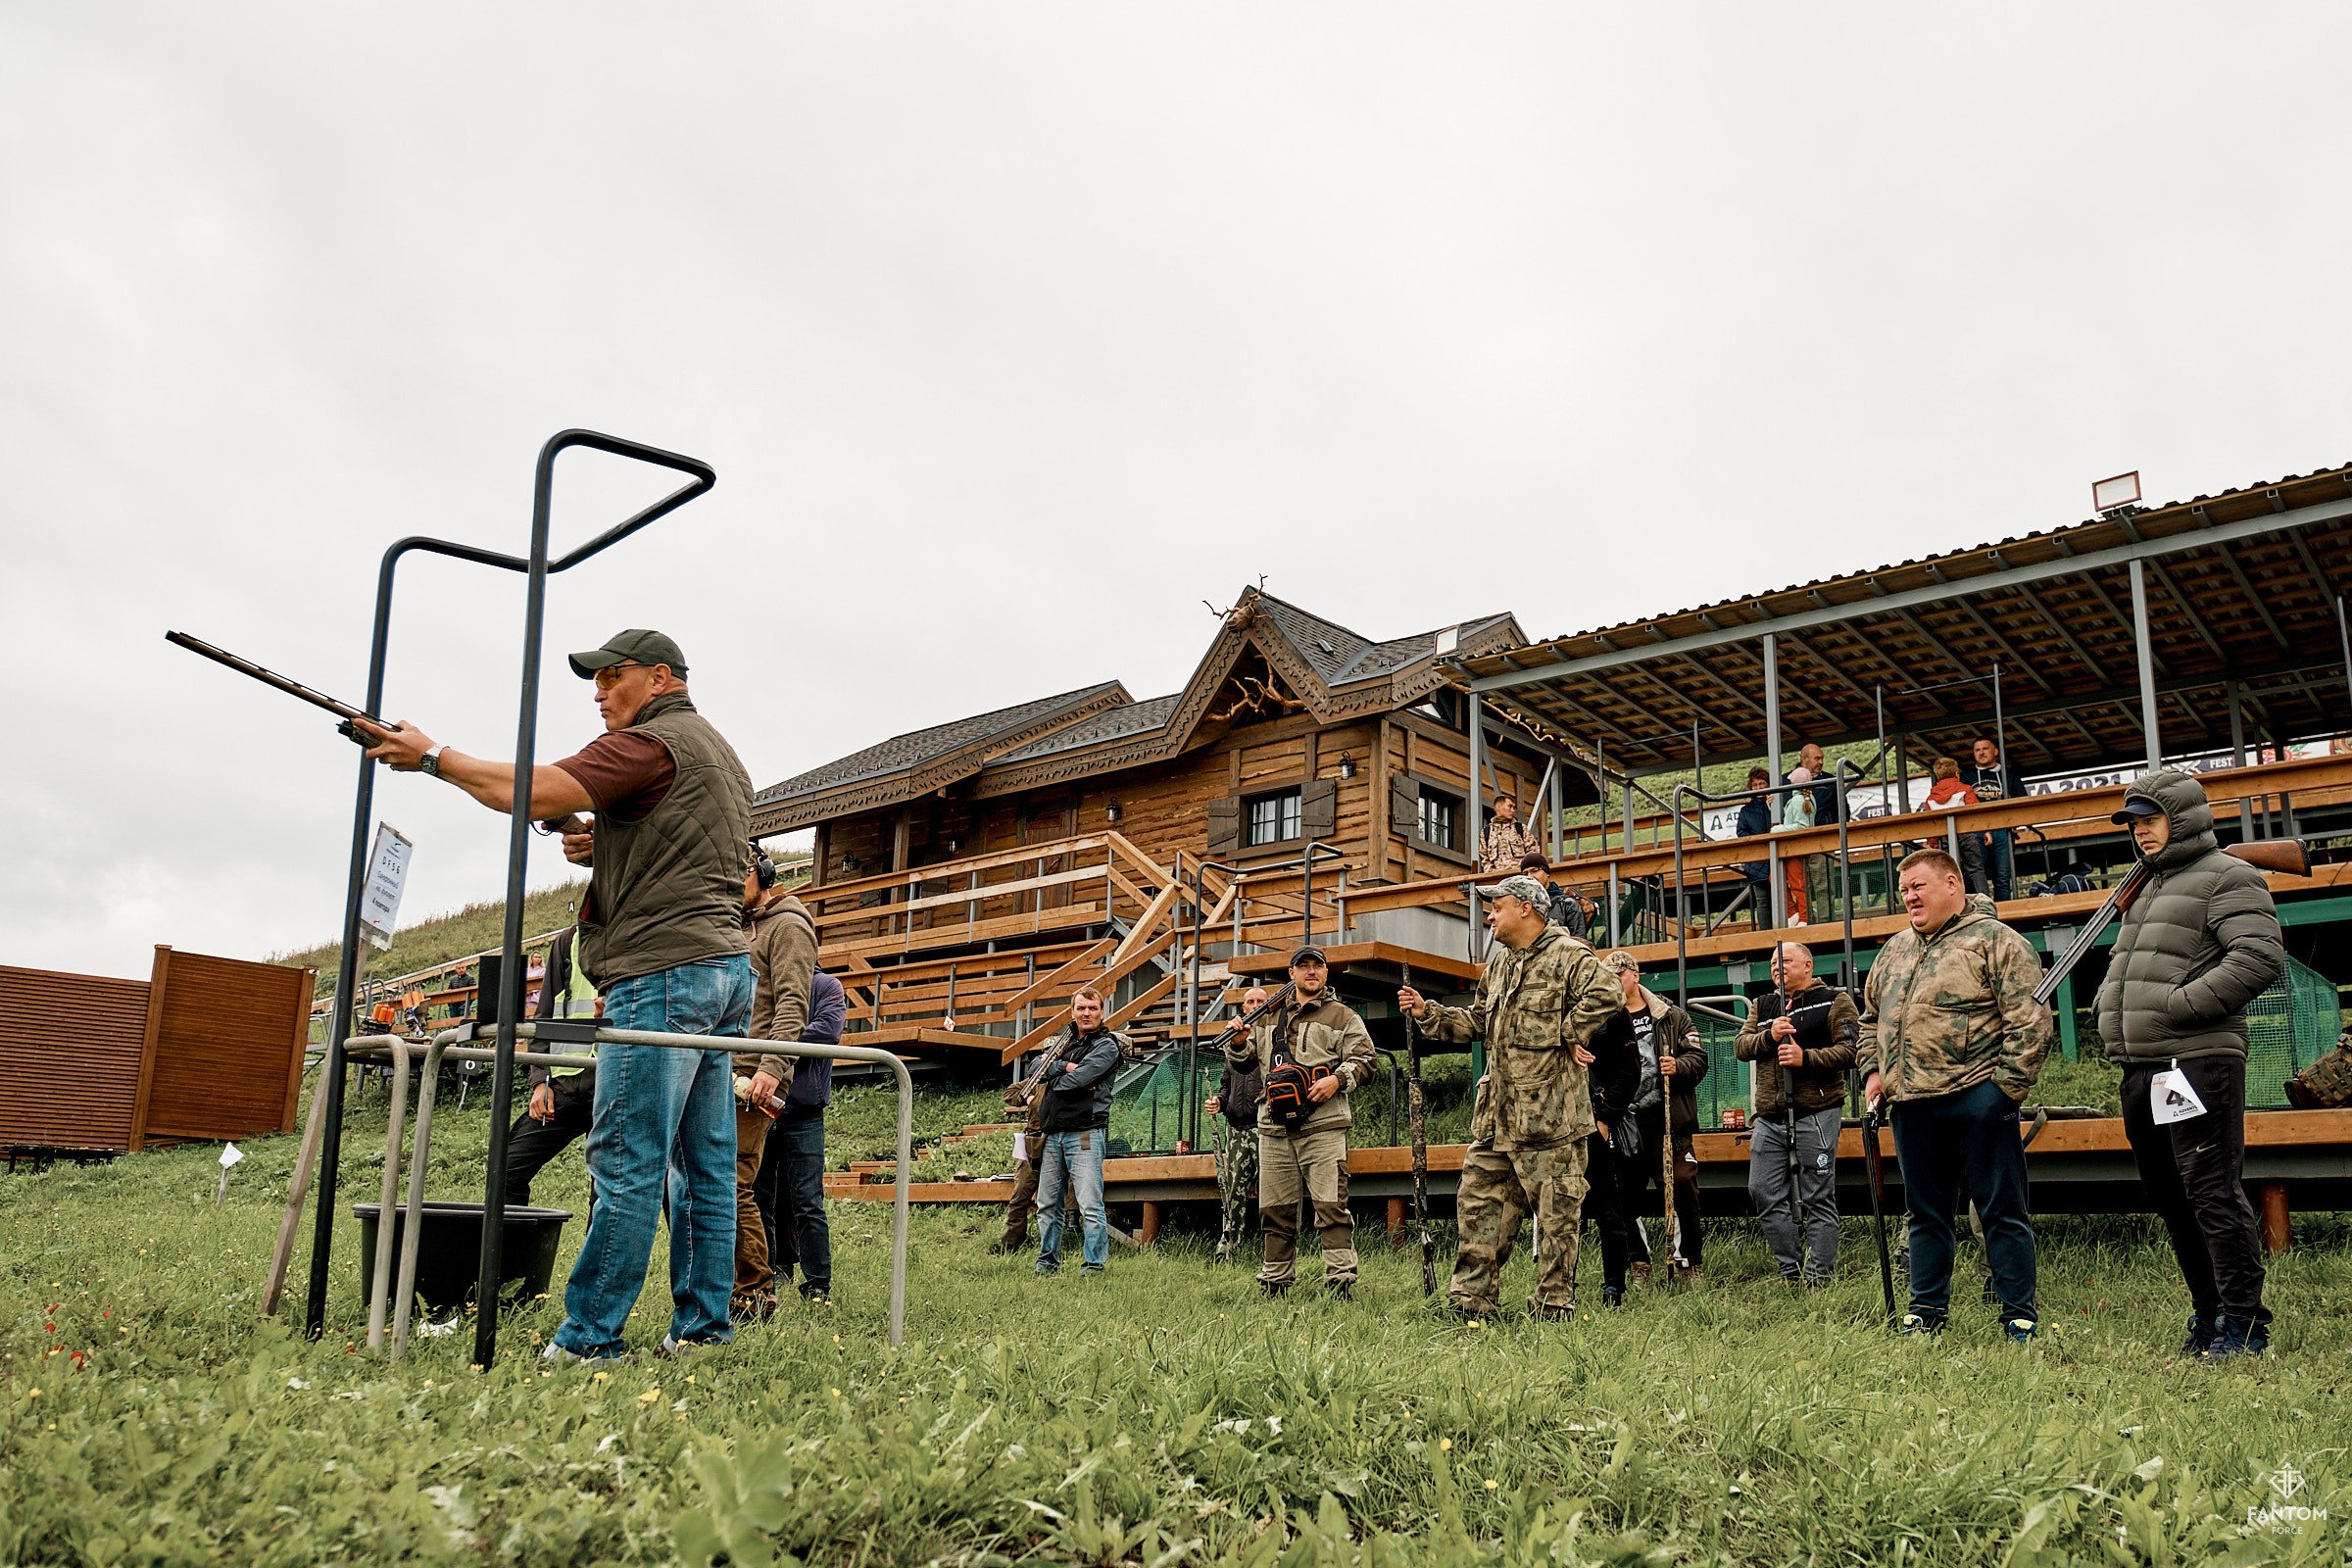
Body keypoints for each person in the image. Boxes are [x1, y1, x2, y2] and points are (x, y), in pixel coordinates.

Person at [362, 627, 756, 1364]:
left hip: (663, 971)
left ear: (661, 677)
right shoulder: (718, 753)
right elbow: (674, 848)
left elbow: (528, 791)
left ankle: (589, 1340)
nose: (599, 693)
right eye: (594, 681)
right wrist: (598, 841)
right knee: (704, 1169)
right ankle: (704, 1334)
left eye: (612, 676)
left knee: (628, 1159)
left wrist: (432, 757)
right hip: (723, 968)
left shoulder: (647, 744)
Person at [2097, 769, 2285, 1359]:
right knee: (2173, 1199)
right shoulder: (2146, 885)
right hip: (2143, 1065)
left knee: (2211, 1194)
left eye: (2150, 819)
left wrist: (2176, 1008)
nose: (2140, 832)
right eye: (2133, 823)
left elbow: (2258, 958)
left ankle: (2245, 1325)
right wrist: (2109, 1010)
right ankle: (2210, 1316)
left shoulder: (2228, 875)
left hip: (2198, 1060)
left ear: (2182, 819)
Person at [1397, 877, 1622, 1320]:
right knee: (1477, 1207)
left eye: (1496, 906)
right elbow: (1478, 1021)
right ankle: (1471, 1302)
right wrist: (1429, 1013)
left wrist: (1567, 1031)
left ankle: (1553, 1306)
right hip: (1496, 1120)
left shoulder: (1568, 955)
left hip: (1551, 1119)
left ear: (1525, 908)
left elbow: (1609, 993)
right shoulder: (1499, 965)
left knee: (1557, 1219)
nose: (1489, 915)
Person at [1858, 848, 2051, 1341]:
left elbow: (2030, 1022)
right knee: (1925, 1214)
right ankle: (1925, 1312)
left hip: (1978, 1099)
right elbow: (1868, 1021)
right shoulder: (1893, 950)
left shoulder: (1997, 941)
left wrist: (2002, 1092)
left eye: (1918, 886)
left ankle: (2018, 1316)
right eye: (1904, 890)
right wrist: (1873, 1073)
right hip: (1910, 1106)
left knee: (2001, 1211)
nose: (1909, 897)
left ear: (1952, 884)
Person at [1227, 947, 1378, 1298]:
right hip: (1273, 1129)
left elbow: (1366, 1060)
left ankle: (1340, 1284)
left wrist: (1336, 1080)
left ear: (1326, 973)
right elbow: (1246, 1064)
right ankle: (1275, 1283)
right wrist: (1237, 1043)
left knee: (1331, 1207)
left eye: (1317, 966)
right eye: (1303, 966)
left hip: (1324, 1127)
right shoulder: (1266, 1016)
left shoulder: (1344, 1016)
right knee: (1274, 1211)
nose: (1311, 971)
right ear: (1291, 973)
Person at [1735, 941, 1858, 1287]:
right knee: (1762, 1191)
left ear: (1808, 965)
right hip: (1769, 1116)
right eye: (1773, 963)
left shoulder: (1835, 1000)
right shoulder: (1762, 1004)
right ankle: (1790, 1271)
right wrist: (1769, 1036)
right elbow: (1741, 1047)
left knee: (1819, 1195)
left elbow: (1853, 1050)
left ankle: (1818, 1277)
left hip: (1817, 1112)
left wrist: (1808, 1059)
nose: (1777, 967)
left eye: (1785, 961)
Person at [1587, 951, 1707, 1301]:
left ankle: (1687, 1263)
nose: (1612, 982)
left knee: (1682, 1186)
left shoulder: (1670, 1015)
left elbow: (1699, 1057)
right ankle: (1638, 1262)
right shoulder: (1600, 1019)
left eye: (1618, 975)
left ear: (1635, 975)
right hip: (1623, 1121)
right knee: (1624, 1195)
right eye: (1607, 977)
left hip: (1668, 1119)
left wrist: (1679, 1066)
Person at [732, 849, 816, 1321]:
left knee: (732, 1184)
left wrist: (772, 1066)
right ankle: (720, 1286)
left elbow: (792, 1003)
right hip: (725, 1071)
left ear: (762, 873)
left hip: (755, 1077)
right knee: (704, 1185)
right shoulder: (743, 925)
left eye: (737, 872)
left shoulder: (788, 925)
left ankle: (754, 1294)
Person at [755, 968, 844, 1304]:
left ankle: (818, 1284)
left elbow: (827, 1033)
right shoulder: (765, 982)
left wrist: (773, 1045)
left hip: (803, 1110)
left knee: (808, 1201)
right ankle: (763, 1280)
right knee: (758, 1199)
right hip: (761, 1107)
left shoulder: (826, 986)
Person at [502, 923, 597, 1207]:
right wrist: (541, 1081)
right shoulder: (567, 941)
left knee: (606, 1192)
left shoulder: (636, 933)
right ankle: (514, 1238)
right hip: (563, 1086)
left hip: (614, 1085)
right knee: (506, 1170)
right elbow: (544, 1016)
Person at [1032, 988, 1126, 1276]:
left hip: (1085, 1133)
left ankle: (1093, 1266)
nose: (1086, 1013)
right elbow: (1035, 1067)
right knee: (1047, 1204)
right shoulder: (1064, 1041)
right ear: (1072, 1011)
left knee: (1089, 1205)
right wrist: (1064, 1065)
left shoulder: (1107, 1046)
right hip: (1052, 1134)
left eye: (1092, 1008)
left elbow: (1079, 1080)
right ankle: (1047, 1263)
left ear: (1102, 1012)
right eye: (1081, 1008)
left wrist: (1051, 1077)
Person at [1204, 986, 1269, 1262]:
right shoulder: (1233, 1041)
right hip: (1235, 1129)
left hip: (1264, 1128)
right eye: (1250, 1001)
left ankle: (1273, 1249)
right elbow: (1225, 1085)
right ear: (1243, 1008)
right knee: (1233, 1189)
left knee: (1271, 1189)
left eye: (1260, 1001)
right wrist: (1219, 1102)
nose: (1254, 1005)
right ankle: (1229, 1246)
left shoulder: (1272, 1039)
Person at [1920, 757, 1988, 896]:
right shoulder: (1965, 789)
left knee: (1949, 872)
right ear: (1956, 774)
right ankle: (1985, 900)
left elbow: (1930, 823)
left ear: (1938, 776)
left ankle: (1953, 901)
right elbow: (1975, 812)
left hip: (1943, 837)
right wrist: (1985, 831)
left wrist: (1933, 843)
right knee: (1975, 869)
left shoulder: (1931, 798)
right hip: (1966, 834)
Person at [1958, 738, 2015, 902]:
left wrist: (2014, 824)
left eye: (1985, 749)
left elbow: (2022, 799)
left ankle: (2003, 912)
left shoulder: (2008, 776)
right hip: (1975, 831)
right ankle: (1975, 910)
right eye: (1977, 750)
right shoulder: (1966, 777)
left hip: (2003, 830)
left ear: (1995, 751)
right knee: (1972, 875)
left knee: (2003, 876)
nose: (1981, 753)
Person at [1735, 767, 1775, 928]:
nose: (1759, 788)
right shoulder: (1746, 811)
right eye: (1755, 785)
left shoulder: (1775, 804)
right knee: (1763, 901)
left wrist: (1770, 806)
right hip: (1756, 861)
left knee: (1782, 898)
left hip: (1775, 857)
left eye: (1762, 784)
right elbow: (1741, 832)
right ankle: (1767, 935)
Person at [1518, 853, 1590, 940]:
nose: (1530, 877)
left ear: (1547, 873)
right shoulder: (1519, 906)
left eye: (1534, 871)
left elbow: (1579, 941)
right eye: (1525, 874)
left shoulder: (1567, 905)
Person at [1780, 767, 1817, 925]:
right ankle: (1795, 913)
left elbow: (1801, 826)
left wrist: (1778, 829)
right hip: (1795, 847)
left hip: (1793, 847)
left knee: (1797, 883)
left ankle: (1803, 916)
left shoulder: (1797, 800)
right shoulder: (1806, 799)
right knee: (1791, 881)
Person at [1480, 791, 1542, 874]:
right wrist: (1493, 874)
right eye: (1510, 806)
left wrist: (1526, 872)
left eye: (1513, 808)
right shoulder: (1486, 832)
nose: (1513, 811)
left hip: (1520, 875)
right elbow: (1484, 858)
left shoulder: (1520, 828)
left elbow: (1533, 851)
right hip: (1498, 878)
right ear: (1498, 807)